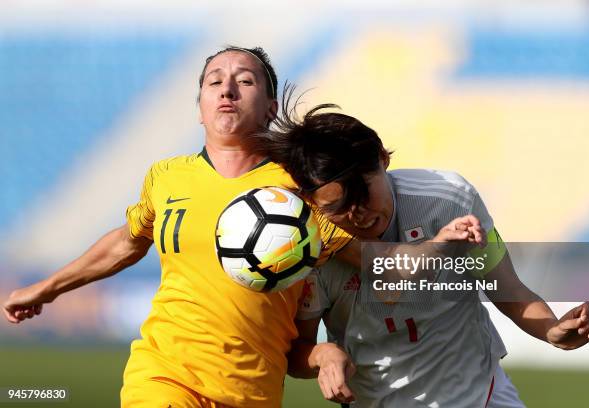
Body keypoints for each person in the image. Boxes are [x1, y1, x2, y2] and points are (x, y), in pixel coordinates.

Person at [2, 47, 346, 408]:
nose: (227, 90)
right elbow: (126, 243)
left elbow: (362, 256)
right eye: (215, 82)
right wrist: (47, 288)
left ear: (271, 108)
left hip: (252, 392)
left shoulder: (303, 191)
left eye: (244, 81)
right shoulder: (166, 177)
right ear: (200, 108)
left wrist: (325, 353)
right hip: (163, 376)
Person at [249, 97, 589, 407]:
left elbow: (509, 290)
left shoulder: (449, 200)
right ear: (312, 201)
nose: (358, 212)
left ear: (383, 158)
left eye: (365, 192)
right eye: (339, 206)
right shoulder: (305, 247)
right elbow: (298, 352)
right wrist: (324, 355)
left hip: (481, 396)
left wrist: (552, 329)